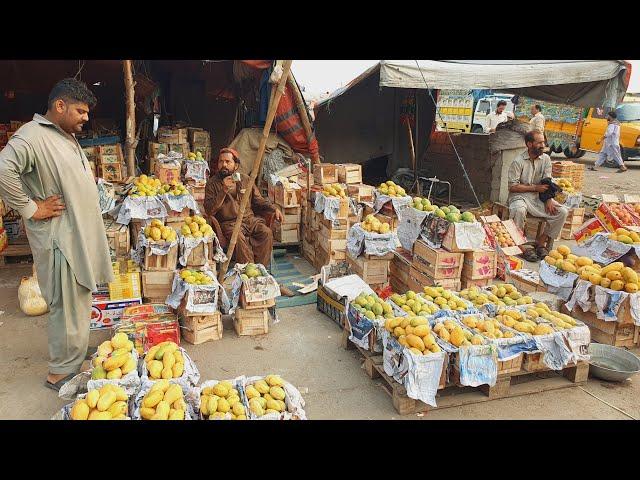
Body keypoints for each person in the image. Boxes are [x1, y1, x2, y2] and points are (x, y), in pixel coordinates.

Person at [0, 78, 113, 390]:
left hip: (76, 234)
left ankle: (73, 352)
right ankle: (61, 372)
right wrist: (30, 208)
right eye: (80, 111)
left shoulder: (63, 135)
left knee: (78, 299)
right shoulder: (32, 136)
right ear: (59, 106)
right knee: (65, 303)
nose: (86, 118)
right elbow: (3, 168)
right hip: (59, 237)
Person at [204, 148, 284, 266]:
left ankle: (261, 268)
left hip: (249, 220)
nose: (223, 165)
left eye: (228, 162)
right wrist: (224, 190)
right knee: (238, 238)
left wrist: (274, 208)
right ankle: (248, 270)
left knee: (266, 233)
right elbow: (209, 210)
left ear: (236, 165)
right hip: (229, 223)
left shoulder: (245, 179)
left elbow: (259, 200)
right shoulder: (212, 183)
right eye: (221, 162)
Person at [507, 130, 569, 262]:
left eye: (543, 142)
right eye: (539, 142)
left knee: (562, 212)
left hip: (538, 198)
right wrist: (535, 187)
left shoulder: (546, 159)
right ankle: (520, 246)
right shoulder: (518, 161)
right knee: (518, 210)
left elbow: (547, 182)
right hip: (519, 197)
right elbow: (512, 187)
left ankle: (541, 242)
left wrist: (548, 199)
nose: (543, 145)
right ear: (529, 144)